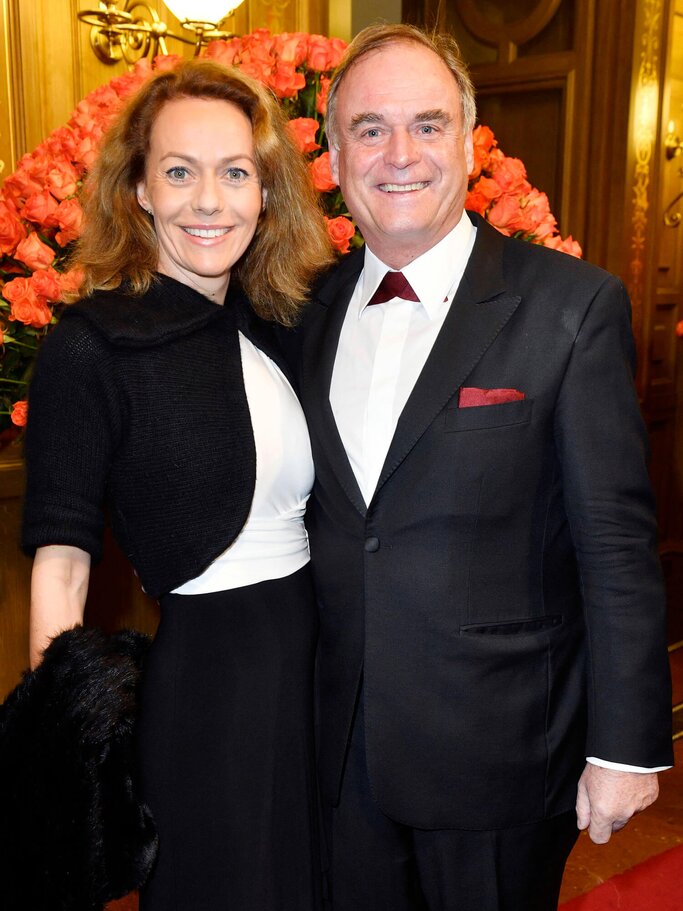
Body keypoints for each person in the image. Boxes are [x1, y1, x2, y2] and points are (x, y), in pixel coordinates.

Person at [296, 23, 674, 911]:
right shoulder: (299, 308)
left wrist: (624, 746)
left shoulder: (571, 307)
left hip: (500, 759)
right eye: (369, 127)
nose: (398, 154)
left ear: (467, 144)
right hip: (332, 753)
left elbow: (615, 544)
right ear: (334, 149)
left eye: (426, 125)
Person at [22, 60, 333, 911]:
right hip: (211, 680)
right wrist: (73, 755)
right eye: (179, 171)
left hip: (315, 661)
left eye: (235, 173)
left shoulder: (276, 325)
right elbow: (63, 566)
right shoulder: (90, 345)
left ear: (266, 194)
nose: (209, 200)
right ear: (140, 191)